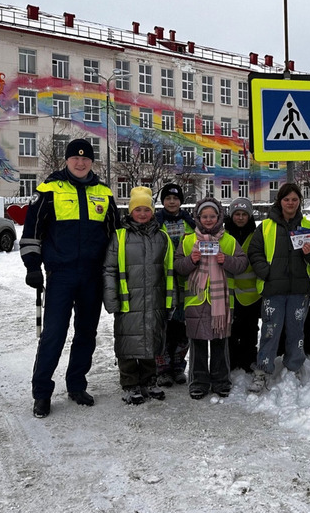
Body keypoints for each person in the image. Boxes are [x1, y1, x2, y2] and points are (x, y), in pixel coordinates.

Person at [20, 138, 119, 418]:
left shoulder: (104, 192)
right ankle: (42, 393)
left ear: (91, 161)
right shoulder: (49, 190)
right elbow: (31, 233)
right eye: (75, 158)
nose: (80, 162)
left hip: (92, 275)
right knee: (53, 334)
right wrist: (32, 267)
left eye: (86, 158)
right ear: (66, 160)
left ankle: (76, 384)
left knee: (86, 334)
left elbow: (115, 236)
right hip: (61, 275)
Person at [102, 187, 174, 405]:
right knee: (127, 343)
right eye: (138, 209)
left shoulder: (162, 237)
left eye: (146, 209)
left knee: (151, 342)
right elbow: (109, 269)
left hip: (154, 301)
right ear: (130, 211)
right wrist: (111, 299)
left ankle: (149, 380)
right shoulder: (120, 237)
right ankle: (130, 383)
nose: (142, 214)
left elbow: (169, 270)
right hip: (128, 302)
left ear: (152, 212)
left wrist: (171, 300)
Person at [247, 183, 310, 393]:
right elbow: (255, 253)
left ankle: (294, 366)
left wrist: (309, 253)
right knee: (270, 331)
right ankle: (262, 370)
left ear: (300, 202)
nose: (290, 203)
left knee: (297, 331)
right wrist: (267, 273)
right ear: (279, 201)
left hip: (299, 290)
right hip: (273, 290)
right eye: (286, 199)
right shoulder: (266, 226)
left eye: (294, 200)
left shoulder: (307, 225)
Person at [174, 197, 248, 399]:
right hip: (196, 301)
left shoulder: (229, 240)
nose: (208, 220)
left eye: (212, 216)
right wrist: (191, 260)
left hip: (221, 305)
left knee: (220, 344)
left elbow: (242, 264)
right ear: (198, 218)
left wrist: (227, 260)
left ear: (219, 217)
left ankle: (221, 381)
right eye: (204, 216)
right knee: (197, 346)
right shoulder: (189, 240)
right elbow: (178, 267)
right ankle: (198, 382)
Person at [154, 183, 195, 387]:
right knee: (164, 325)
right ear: (162, 201)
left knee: (181, 325)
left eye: (175, 198)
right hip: (162, 281)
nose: (172, 202)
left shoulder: (189, 222)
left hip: (184, 280)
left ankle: (178, 365)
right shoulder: (156, 222)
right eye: (168, 198)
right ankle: (162, 368)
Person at [224, 197, 262, 372]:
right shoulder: (224, 236)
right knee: (230, 329)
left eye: (244, 214)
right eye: (237, 214)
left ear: (249, 216)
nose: (240, 217)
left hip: (251, 294)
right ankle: (231, 359)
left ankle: (248, 359)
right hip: (229, 293)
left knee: (250, 329)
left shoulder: (256, 235)